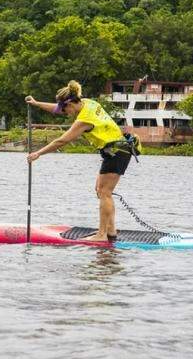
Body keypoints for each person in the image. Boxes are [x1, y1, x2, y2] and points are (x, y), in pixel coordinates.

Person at [26, 80, 137, 242]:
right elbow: (57, 108)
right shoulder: (86, 102)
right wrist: (36, 103)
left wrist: (38, 153)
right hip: (115, 150)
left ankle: (101, 235)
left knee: (105, 192)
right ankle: (110, 231)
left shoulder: (85, 119)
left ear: (70, 103)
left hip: (118, 151)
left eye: (66, 109)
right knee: (101, 190)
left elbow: (61, 141)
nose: (67, 114)